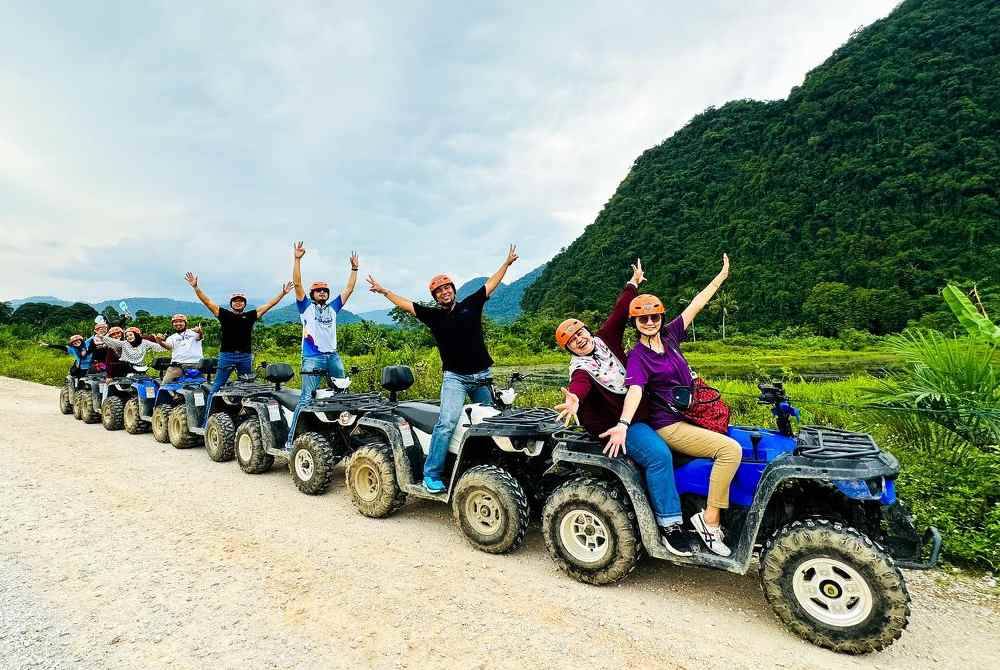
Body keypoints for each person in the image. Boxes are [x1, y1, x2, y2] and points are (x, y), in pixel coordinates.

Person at [602, 254, 741, 556]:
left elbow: (697, 304)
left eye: (655, 317)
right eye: (643, 318)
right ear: (634, 323)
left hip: (690, 413)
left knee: (740, 440)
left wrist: (721, 276)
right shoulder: (638, 356)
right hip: (668, 424)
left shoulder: (672, 335)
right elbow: (635, 390)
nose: (650, 322)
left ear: (662, 318)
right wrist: (623, 424)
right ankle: (710, 521)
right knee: (730, 450)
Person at [553, 259, 691, 556]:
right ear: (569, 349)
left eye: (580, 333)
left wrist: (634, 283)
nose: (579, 340)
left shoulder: (604, 340)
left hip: (641, 410)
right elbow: (580, 386)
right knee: (657, 456)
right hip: (616, 425)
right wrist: (573, 400)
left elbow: (619, 311)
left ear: (587, 331)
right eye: (572, 341)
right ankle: (670, 526)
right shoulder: (581, 368)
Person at [367, 245, 519, 493]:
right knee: (447, 421)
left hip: (482, 377)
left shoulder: (472, 304)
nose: (444, 292)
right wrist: (384, 291)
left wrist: (507, 264)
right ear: (435, 297)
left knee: (493, 421)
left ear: (453, 291)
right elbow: (405, 304)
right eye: (439, 291)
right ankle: (432, 473)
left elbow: (491, 284)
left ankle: (488, 466)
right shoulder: (433, 316)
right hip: (455, 378)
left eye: (447, 288)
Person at [286, 241, 359, 449]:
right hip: (312, 357)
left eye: (324, 291)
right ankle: (291, 440)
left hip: (333, 356)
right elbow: (298, 284)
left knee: (342, 395)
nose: (322, 293)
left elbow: (349, 289)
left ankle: (340, 439)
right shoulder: (305, 308)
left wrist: (354, 269)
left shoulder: (333, 308)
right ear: (312, 295)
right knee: (306, 398)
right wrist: (297, 259)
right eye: (318, 291)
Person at [184, 273, 294, 395]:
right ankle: (207, 412)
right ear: (231, 304)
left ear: (244, 304)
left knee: (247, 385)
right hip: (227, 355)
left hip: (245, 356)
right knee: (218, 385)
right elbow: (207, 301)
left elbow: (269, 305)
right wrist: (195, 287)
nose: (238, 303)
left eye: (241, 301)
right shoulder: (224, 314)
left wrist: (283, 293)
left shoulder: (250, 315)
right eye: (235, 301)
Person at [155, 314, 205, 383]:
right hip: (177, 366)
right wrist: (159, 341)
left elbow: (200, 336)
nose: (178, 323)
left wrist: (199, 331)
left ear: (185, 323)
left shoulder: (194, 333)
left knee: (205, 386)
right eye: (175, 322)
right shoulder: (171, 337)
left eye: (181, 321)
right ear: (172, 324)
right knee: (165, 386)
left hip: (196, 365)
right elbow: (169, 346)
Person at [99, 326, 167, 375]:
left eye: (118, 333)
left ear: (122, 334)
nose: (116, 335)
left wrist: (157, 337)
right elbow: (109, 361)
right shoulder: (112, 347)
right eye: (113, 335)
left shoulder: (135, 340)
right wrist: (109, 376)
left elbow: (146, 338)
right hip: (120, 369)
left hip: (139, 366)